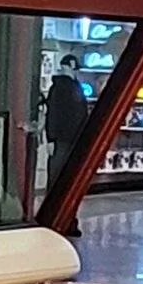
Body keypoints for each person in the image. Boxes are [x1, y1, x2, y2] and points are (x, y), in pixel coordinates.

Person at [41, 57, 92, 203]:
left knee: (65, 172)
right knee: (57, 171)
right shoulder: (60, 88)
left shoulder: (74, 86)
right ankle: (53, 201)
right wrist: (51, 138)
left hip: (72, 137)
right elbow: (53, 113)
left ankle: (62, 200)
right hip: (63, 138)